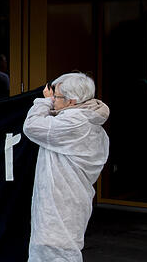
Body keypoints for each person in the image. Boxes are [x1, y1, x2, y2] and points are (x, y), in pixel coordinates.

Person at [22, 72, 110, 262]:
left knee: (54, 251)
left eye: (57, 96)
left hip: (60, 202)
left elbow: (32, 126)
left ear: (71, 101)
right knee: (61, 249)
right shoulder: (89, 121)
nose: (53, 99)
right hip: (70, 198)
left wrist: (42, 103)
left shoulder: (74, 123)